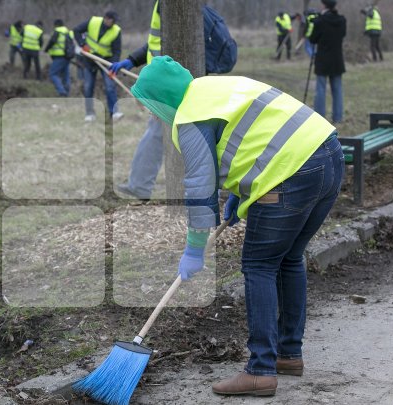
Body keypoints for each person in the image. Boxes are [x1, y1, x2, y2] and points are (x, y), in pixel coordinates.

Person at [130, 55, 343, 397]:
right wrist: (241, 192)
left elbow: (199, 189)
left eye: (150, 105)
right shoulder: (212, 88)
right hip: (328, 155)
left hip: (292, 172)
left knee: (259, 265)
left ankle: (260, 370)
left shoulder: (190, 116)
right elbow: (254, 135)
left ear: (162, 99)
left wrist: (194, 249)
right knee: (288, 258)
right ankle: (288, 354)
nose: (151, 114)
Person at [110, 1, 163, 199]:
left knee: (160, 136)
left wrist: (155, 79)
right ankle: (140, 185)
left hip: (170, 84)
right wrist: (132, 60)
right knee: (157, 136)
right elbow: (156, 44)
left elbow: (180, 43)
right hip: (165, 80)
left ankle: (212, 191)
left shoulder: (177, 6)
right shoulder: (163, 4)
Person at [73, 10, 122, 122]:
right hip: (89, 59)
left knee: (110, 86)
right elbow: (76, 30)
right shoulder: (93, 22)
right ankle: (89, 113)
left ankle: (114, 112)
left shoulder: (116, 31)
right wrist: (82, 44)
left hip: (106, 60)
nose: (114, 23)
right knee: (88, 86)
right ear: (106, 19)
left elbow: (117, 51)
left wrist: (113, 66)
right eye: (112, 20)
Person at [309, 0, 346, 124]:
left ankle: (319, 118)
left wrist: (314, 23)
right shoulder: (342, 20)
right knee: (337, 89)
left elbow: (313, 39)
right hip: (337, 59)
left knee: (320, 89)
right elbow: (343, 34)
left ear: (324, 5)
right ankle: (338, 117)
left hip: (323, 59)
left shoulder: (320, 21)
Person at [45, 19, 73, 96]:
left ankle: (61, 91)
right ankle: (67, 90)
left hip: (59, 56)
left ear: (56, 25)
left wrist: (46, 49)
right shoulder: (68, 32)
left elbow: (52, 41)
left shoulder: (57, 31)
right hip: (67, 56)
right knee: (65, 75)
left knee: (52, 74)